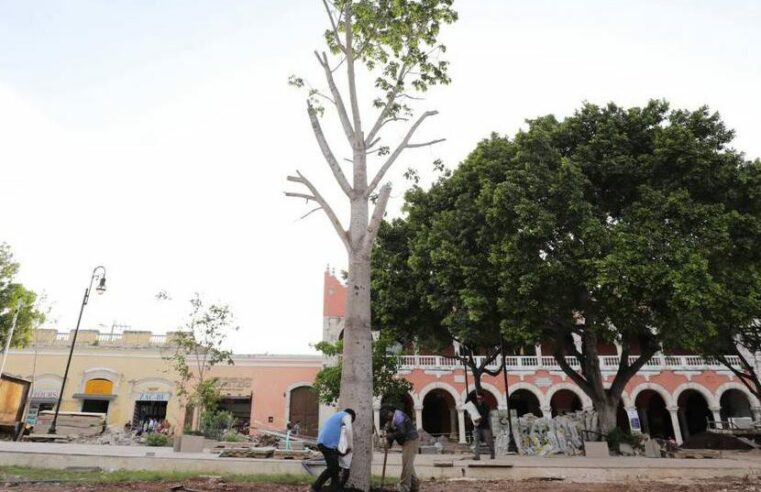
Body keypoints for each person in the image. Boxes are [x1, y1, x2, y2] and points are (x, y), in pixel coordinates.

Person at [310, 408, 355, 492]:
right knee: (333, 468)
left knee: (335, 469)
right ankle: (315, 487)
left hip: (323, 442)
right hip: (327, 444)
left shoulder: (336, 415)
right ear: (351, 416)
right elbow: (349, 429)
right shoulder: (347, 416)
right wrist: (350, 445)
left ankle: (335, 488)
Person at [381, 405, 419, 492]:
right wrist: (388, 443)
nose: (387, 417)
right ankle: (414, 485)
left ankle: (404, 487)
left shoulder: (399, 416)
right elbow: (390, 433)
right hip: (406, 442)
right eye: (385, 417)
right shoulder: (390, 421)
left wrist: (391, 435)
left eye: (387, 415)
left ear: (391, 412)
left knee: (406, 464)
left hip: (411, 440)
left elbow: (402, 432)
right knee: (408, 464)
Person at [472, 391, 495, 460]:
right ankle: (477, 456)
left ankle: (492, 452)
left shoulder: (486, 406)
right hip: (477, 426)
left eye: (480, 398)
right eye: (477, 398)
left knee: (488, 441)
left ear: (483, 399)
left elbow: (485, 416)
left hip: (485, 426)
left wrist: (479, 419)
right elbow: (473, 414)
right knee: (476, 441)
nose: (478, 400)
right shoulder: (475, 406)